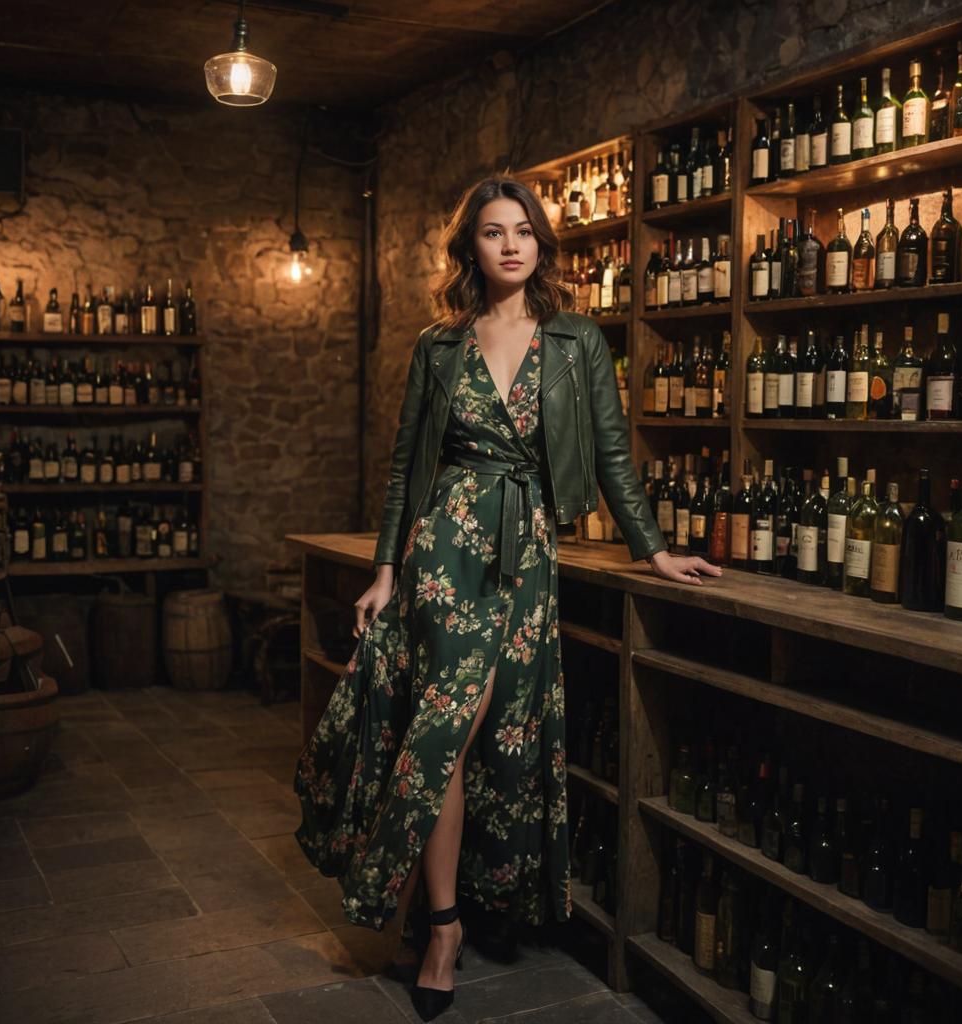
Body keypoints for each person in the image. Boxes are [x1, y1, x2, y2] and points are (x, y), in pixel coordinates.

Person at [293, 175, 720, 1021]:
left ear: (541, 244)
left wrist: (656, 550)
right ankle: (442, 926)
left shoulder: (577, 343)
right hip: (446, 548)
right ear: (470, 249)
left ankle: (445, 904)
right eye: (493, 232)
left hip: (527, 557)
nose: (511, 244)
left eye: (523, 230)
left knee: (495, 743)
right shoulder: (438, 347)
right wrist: (385, 569)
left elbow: (610, 456)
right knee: (446, 729)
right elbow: (406, 466)